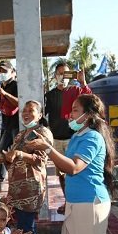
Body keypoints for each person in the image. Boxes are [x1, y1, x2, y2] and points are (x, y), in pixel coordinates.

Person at [28, 94, 115, 234]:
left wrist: (48, 149)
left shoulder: (93, 138)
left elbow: (75, 168)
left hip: (91, 202)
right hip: (76, 202)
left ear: (89, 115)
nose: (70, 115)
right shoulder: (78, 135)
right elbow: (65, 170)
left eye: (75, 110)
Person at [0, 99, 53, 234]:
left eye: (31, 110)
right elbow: (12, 159)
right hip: (17, 189)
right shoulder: (20, 134)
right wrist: (2, 158)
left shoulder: (42, 133)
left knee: (27, 229)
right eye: (24, 111)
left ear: (40, 114)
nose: (26, 113)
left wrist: (20, 154)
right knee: (24, 228)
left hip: (30, 189)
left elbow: (40, 159)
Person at [44, 60, 91, 213]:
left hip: (74, 138)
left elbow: (91, 101)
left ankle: (78, 202)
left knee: (77, 172)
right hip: (56, 139)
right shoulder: (50, 95)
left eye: (66, 73)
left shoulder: (76, 91)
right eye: (60, 73)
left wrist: (83, 83)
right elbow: (42, 114)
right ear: (55, 75)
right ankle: (67, 201)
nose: (63, 76)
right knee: (62, 175)